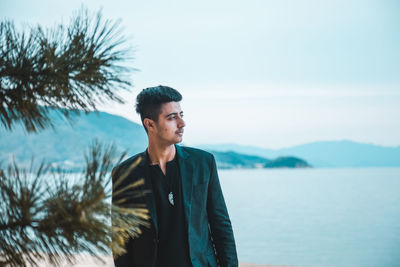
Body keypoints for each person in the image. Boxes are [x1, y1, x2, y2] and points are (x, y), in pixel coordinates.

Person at [112, 85, 238, 267]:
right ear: (150, 124)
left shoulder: (203, 162)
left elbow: (221, 225)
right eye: (172, 117)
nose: (181, 123)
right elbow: (121, 238)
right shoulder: (125, 173)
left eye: (181, 115)